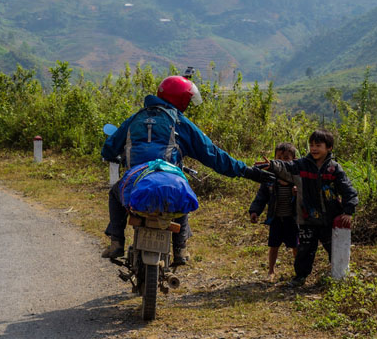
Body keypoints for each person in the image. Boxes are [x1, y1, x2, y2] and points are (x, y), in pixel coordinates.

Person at [101, 75, 273, 266]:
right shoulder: (179, 122)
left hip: (136, 179)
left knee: (115, 193)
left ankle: (116, 242)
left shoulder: (136, 118)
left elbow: (108, 149)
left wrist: (116, 155)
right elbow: (213, 154)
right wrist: (248, 172)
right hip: (169, 178)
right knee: (179, 192)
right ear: (181, 99)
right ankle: (180, 249)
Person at [257, 130, 358, 286]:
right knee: (304, 250)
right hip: (307, 218)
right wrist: (272, 165)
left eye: (318, 145)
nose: (314, 149)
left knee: (334, 249)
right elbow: (286, 167)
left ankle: (340, 276)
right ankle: (300, 277)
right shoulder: (302, 165)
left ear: (329, 148)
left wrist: (348, 211)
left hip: (328, 219)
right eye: (311, 145)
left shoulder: (334, 169)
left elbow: (348, 190)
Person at [249, 142, 299, 282]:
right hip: (276, 218)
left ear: (293, 160)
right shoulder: (269, 178)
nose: (282, 161)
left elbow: (307, 196)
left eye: (286, 158)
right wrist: (255, 211)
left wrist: (298, 193)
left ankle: (299, 270)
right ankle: (271, 271)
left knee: (295, 245)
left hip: (292, 218)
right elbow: (261, 196)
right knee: (274, 245)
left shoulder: (296, 177)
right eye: (279, 157)